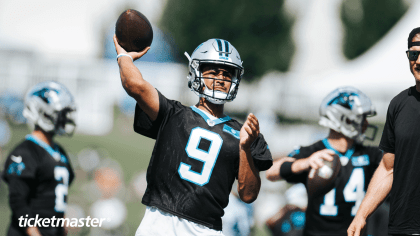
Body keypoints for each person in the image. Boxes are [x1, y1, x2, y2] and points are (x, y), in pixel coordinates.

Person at [113, 37, 273, 236]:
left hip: (206, 230)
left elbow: (248, 195)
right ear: (197, 71)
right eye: (213, 71)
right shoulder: (172, 114)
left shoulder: (245, 134)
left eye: (227, 73)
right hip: (160, 224)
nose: (221, 78)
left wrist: (245, 148)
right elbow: (135, 85)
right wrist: (124, 56)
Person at [266, 86, 383, 236]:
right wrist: (304, 163)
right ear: (344, 118)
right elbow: (271, 172)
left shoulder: (370, 155)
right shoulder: (313, 152)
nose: (365, 123)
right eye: (361, 117)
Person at [348, 27, 420, 236]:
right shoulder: (398, 104)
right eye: (413, 54)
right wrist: (361, 214)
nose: (418, 61)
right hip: (402, 227)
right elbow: (388, 168)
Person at [2, 81, 77, 236]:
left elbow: (56, 198)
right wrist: (34, 232)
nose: (65, 118)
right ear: (43, 113)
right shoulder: (25, 153)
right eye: (60, 113)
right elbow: (18, 201)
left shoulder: (59, 152)